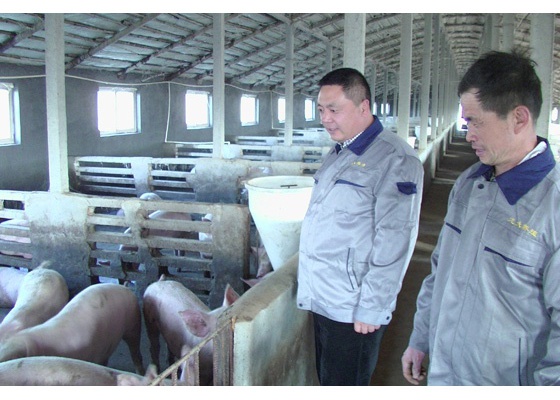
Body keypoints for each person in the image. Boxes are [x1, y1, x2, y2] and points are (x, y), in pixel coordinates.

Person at [402, 50, 560, 386]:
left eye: (476, 121)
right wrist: (420, 338)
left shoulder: (553, 208)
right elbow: (439, 270)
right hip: (443, 374)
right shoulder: (470, 182)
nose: (468, 132)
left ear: (519, 118)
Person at [296, 67, 424, 385]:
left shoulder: (395, 159)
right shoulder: (339, 151)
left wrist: (373, 306)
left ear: (363, 106)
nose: (325, 119)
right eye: (321, 110)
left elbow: (396, 239)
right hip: (325, 296)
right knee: (329, 381)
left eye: (334, 109)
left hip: (354, 308)